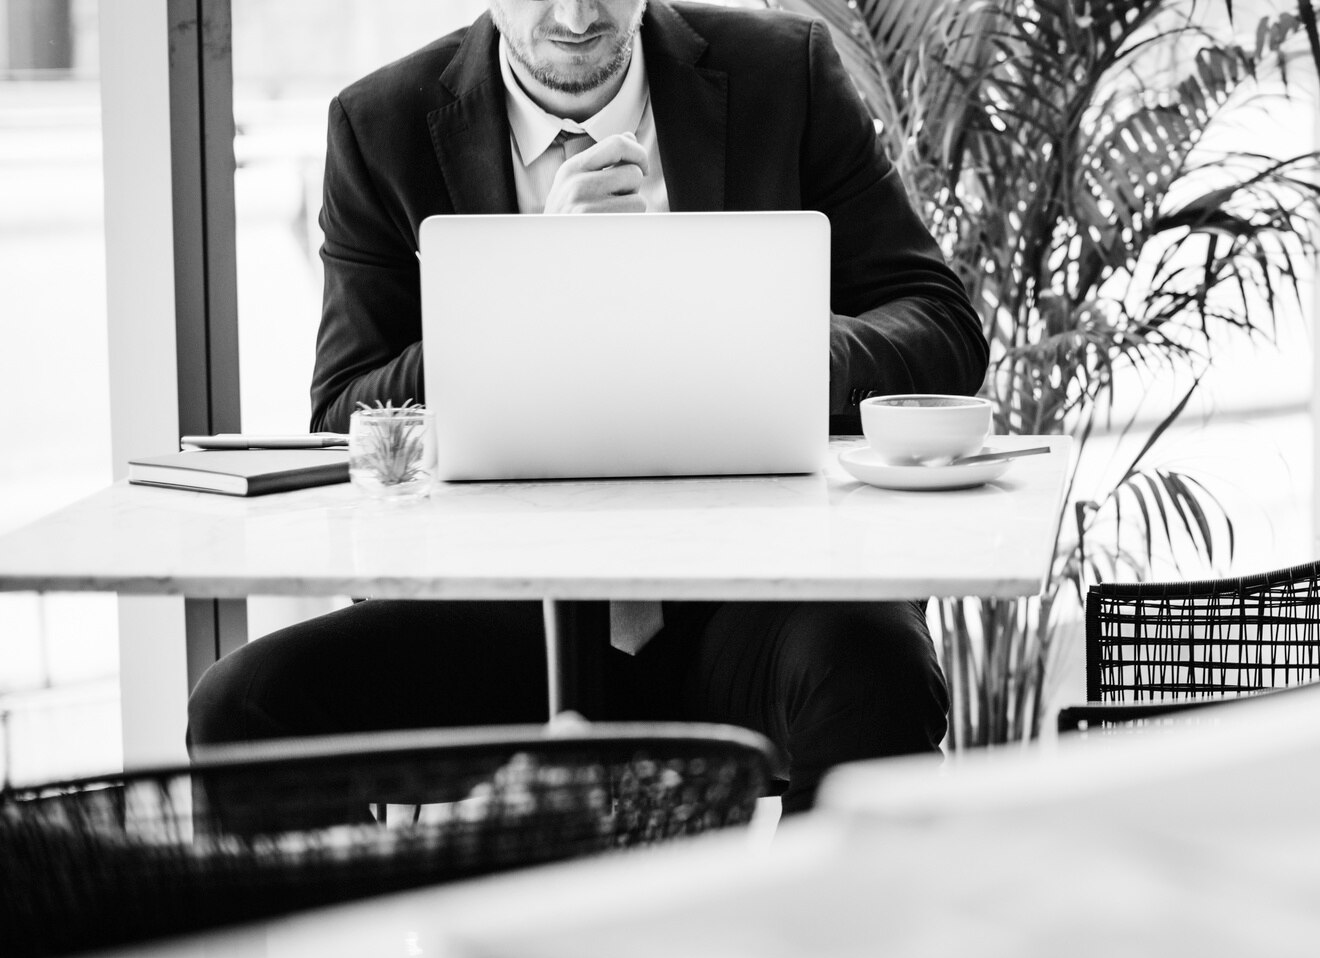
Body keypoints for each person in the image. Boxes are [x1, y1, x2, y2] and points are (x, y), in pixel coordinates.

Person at [187, 0, 987, 810]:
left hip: (757, 597)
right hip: (497, 612)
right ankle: (410, 928)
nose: (575, 15)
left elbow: (941, 324)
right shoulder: (380, 123)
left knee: (876, 668)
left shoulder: (787, 73)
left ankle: (782, 932)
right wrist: (530, 282)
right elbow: (345, 410)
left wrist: (783, 344)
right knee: (245, 708)